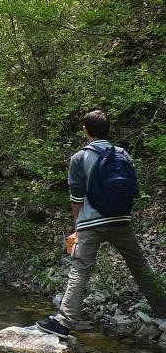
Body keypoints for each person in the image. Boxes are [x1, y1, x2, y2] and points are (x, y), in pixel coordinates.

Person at [36, 110, 166, 337]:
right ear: (109, 130)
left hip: (91, 223)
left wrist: (77, 225)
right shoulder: (123, 154)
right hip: (121, 220)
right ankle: (163, 309)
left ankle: (64, 323)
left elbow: (76, 197)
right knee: (139, 265)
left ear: (85, 130)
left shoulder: (79, 158)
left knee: (80, 269)